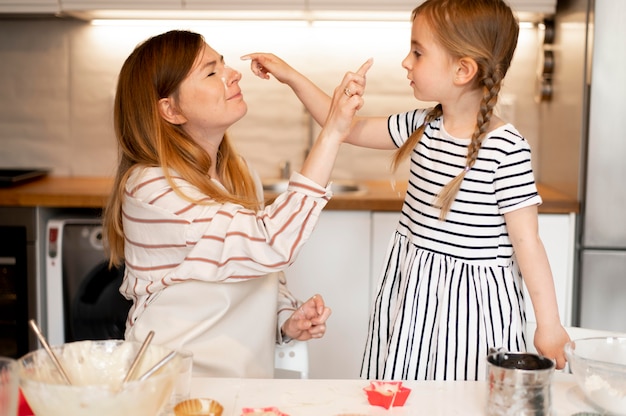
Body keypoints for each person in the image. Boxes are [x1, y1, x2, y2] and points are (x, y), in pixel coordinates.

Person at [243, 0, 571, 381]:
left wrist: (549, 325)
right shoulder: (423, 125)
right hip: (414, 295)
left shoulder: (506, 147)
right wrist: (291, 75)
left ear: (463, 69)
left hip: (471, 311)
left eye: (417, 52)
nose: (405, 62)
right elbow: (344, 128)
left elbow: (527, 242)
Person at [103, 29, 372, 378]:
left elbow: (254, 268)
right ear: (170, 109)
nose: (233, 74)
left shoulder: (239, 174)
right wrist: (333, 132)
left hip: (242, 386)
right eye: (211, 72)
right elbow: (270, 241)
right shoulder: (152, 188)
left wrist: (284, 319)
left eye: (224, 65)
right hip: (172, 385)